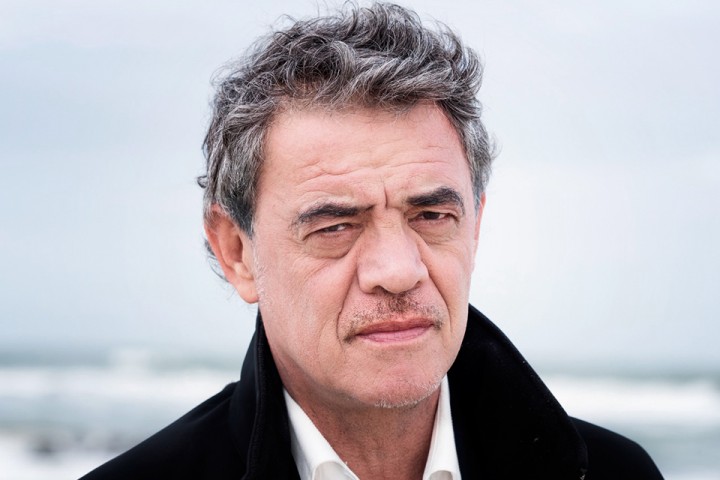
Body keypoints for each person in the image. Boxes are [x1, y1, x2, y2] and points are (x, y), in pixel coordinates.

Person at [81, 3, 664, 479]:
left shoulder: (617, 474)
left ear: (475, 226)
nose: (398, 270)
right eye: (335, 227)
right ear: (237, 252)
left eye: (431, 215)